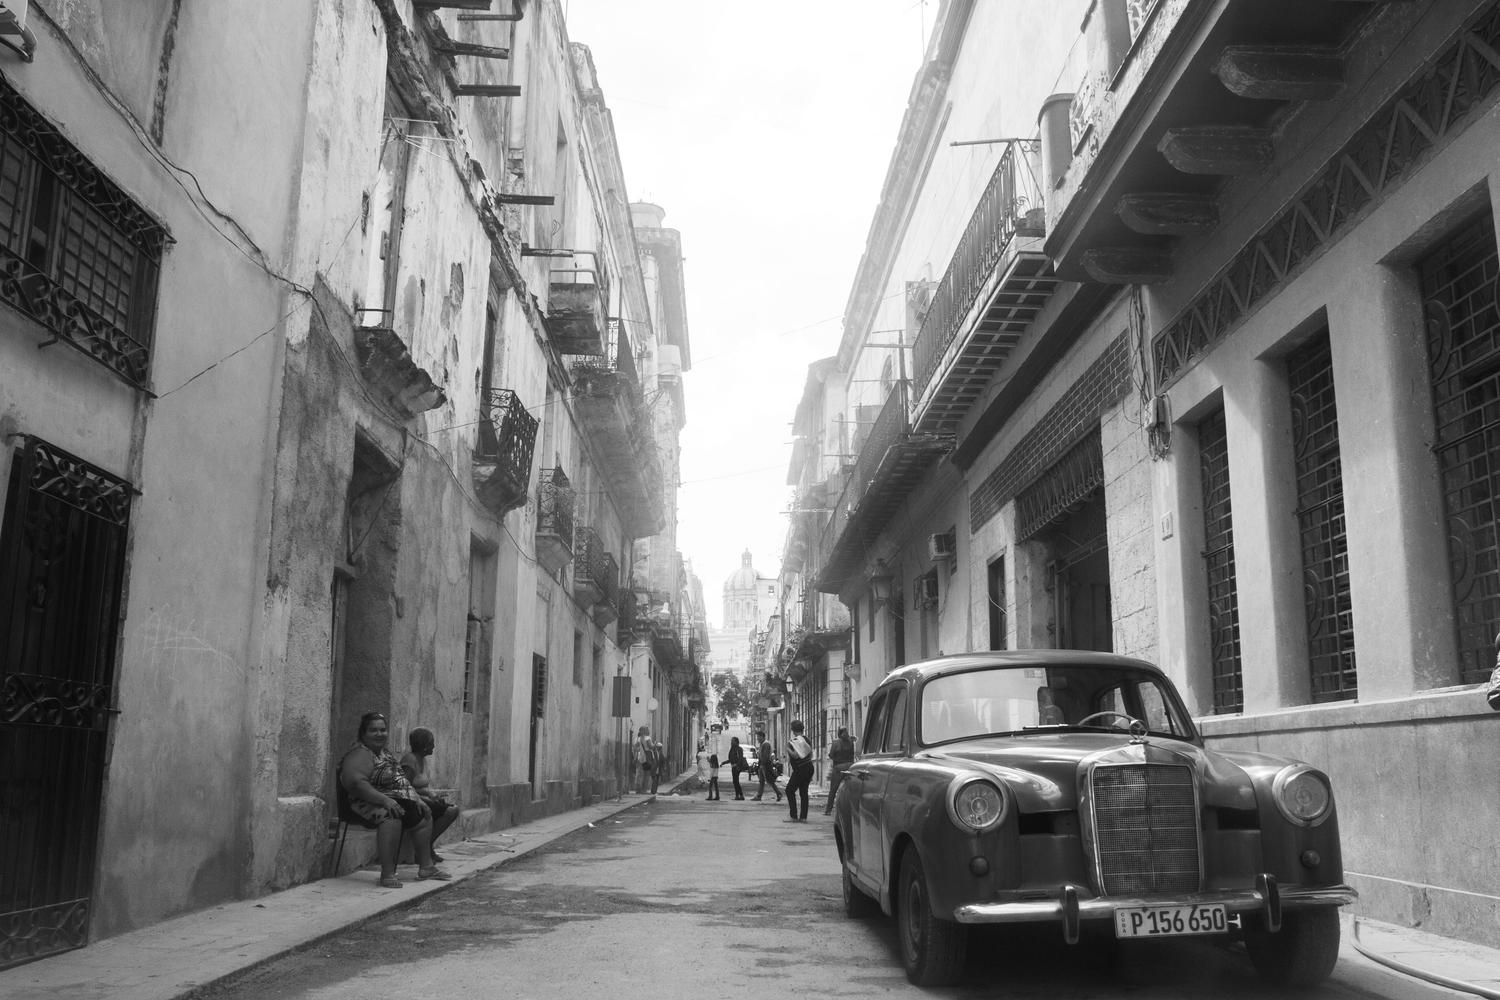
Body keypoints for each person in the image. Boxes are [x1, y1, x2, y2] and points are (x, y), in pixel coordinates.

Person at [338, 712, 450, 888]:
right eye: (373, 730)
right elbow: (357, 784)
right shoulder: (359, 754)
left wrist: (417, 799)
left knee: (423, 813)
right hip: (362, 802)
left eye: (383, 730)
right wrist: (385, 800)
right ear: (363, 733)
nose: (379, 734)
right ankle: (387, 874)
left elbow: (401, 781)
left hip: (390, 799)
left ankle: (426, 867)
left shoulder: (386, 754)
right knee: (391, 816)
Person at [399, 727, 458, 861]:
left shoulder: (422, 759)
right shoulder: (410, 760)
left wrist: (431, 795)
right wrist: (426, 799)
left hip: (421, 798)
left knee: (452, 809)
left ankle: (426, 846)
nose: (434, 746)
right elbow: (405, 786)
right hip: (411, 802)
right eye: (432, 743)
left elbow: (418, 786)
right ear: (424, 745)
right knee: (450, 811)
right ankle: (424, 849)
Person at [783, 719, 815, 822]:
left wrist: (787, 748)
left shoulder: (795, 741)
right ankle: (803, 817)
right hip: (809, 767)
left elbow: (796, 756)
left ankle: (793, 816)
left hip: (800, 769)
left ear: (793, 730)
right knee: (803, 792)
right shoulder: (807, 739)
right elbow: (810, 754)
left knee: (789, 790)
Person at [824, 727, 855, 816]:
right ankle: (851, 810)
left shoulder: (835, 742)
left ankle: (828, 810)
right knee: (850, 789)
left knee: (833, 790)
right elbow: (852, 754)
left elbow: (831, 755)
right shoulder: (851, 742)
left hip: (838, 768)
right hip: (849, 767)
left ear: (839, 733)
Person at [752, 730, 781, 802]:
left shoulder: (766, 744)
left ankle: (778, 793)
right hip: (762, 765)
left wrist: (762, 764)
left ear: (762, 737)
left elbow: (765, 756)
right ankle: (759, 796)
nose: (757, 739)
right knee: (762, 781)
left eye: (758, 737)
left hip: (765, 765)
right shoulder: (763, 744)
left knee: (770, 780)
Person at [633, 725, 655, 794]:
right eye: (647, 729)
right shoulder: (647, 738)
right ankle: (644, 789)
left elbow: (635, 748)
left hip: (639, 758)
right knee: (646, 774)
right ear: (645, 731)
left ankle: (638, 789)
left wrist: (635, 757)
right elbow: (651, 747)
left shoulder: (637, 739)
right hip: (646, 759)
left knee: (639, 774)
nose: (648, 731)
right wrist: (655, 744)